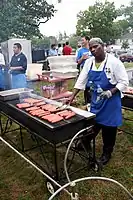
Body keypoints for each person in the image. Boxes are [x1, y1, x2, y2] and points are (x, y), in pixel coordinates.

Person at [69, 38, 129, 165]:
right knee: (93, 123)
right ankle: (84, 143)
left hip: (111, 101)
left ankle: (107, 153)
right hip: (96, 99)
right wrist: (72, 96)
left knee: (109, 128)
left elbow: (124, 82)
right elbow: (81, 80)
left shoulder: (114, 62)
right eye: (90, 48)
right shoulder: (89, 62)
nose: (93, 50)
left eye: (95, 47)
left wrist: (111, 92)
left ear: (103, 46)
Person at [76, 36, 92, 104]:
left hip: (94, 70)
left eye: (83, 40)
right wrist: (82, 58)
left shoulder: (92, 49)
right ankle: (87, 102)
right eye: (81, 40)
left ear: (88, 41)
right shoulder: (80, 51)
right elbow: (77, 63)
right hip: (85, 70)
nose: (82, 42)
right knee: (86, 86)